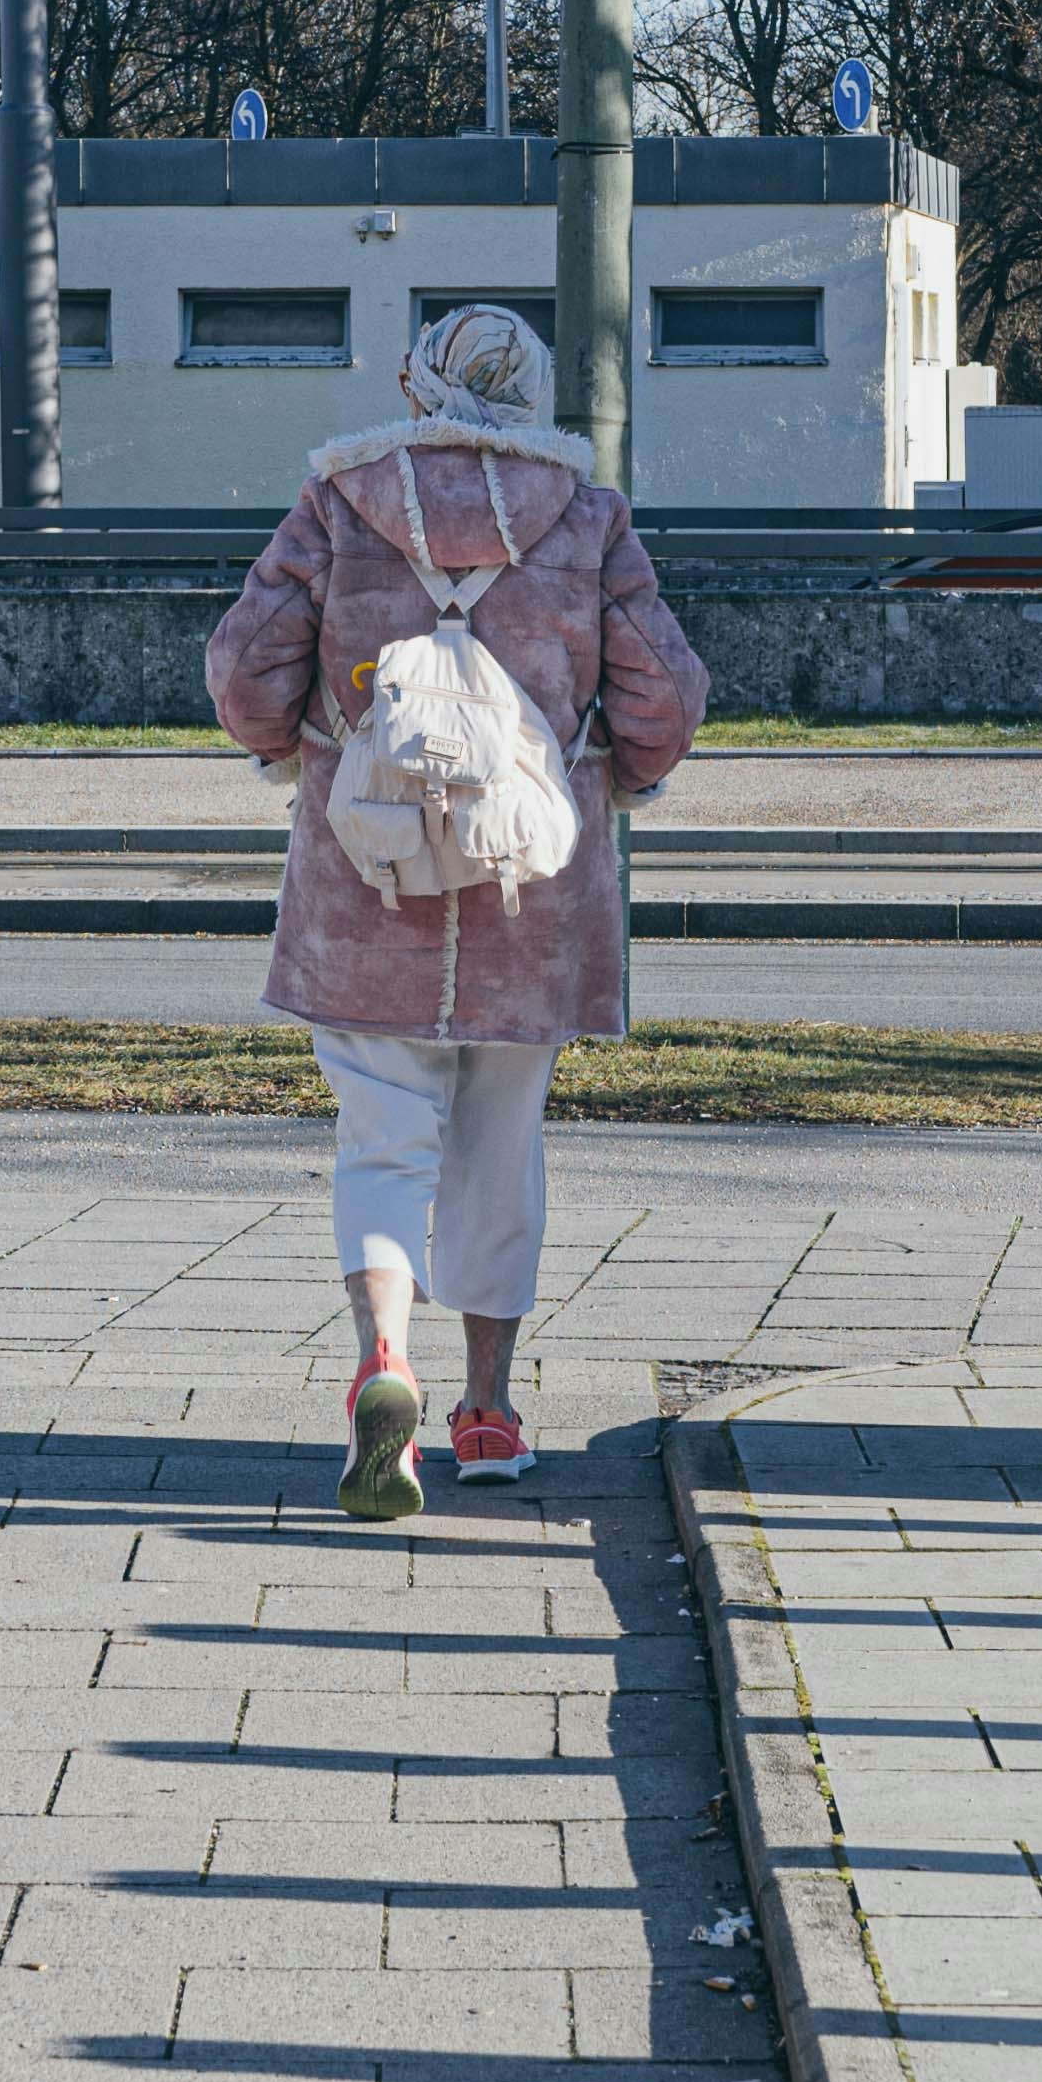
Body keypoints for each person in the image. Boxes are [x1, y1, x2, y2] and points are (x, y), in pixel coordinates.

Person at [209, 293, 704, 1523]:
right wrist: (611, 778)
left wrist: (302, 755)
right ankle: (487, 1411)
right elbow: (665, 690)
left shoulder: (339, 500)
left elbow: (241, 668)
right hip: (529, 895)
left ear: (421, 384)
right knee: (500, 1152)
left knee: (382, 1146)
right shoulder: (587, 518)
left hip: (361, 884)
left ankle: (384, 1364)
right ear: (528, 391)